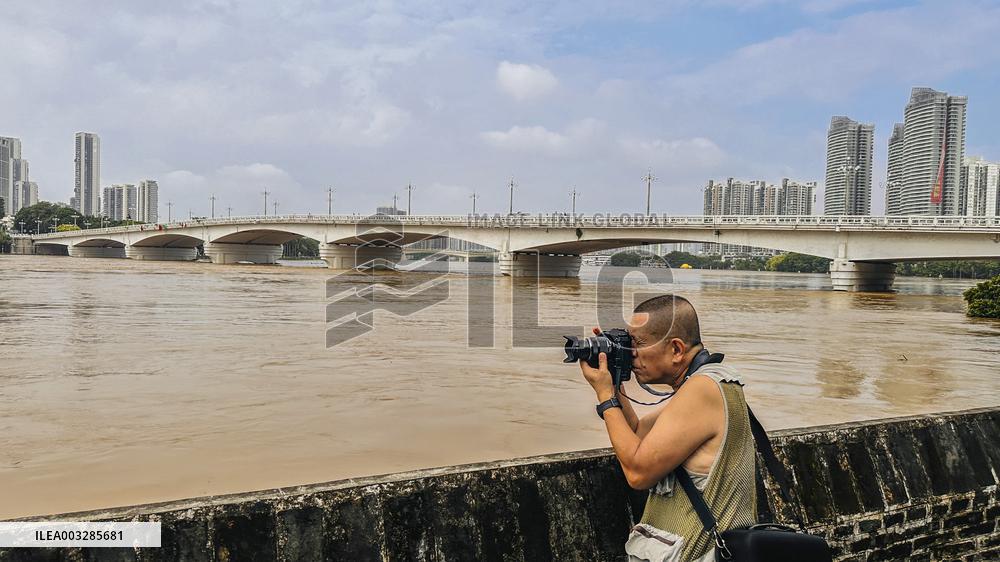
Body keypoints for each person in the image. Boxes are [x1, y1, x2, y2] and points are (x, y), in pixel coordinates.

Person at [579, 294, 756, 561]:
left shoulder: (702, 389)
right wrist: (615, 383)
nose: (631, 353)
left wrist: (606, 398)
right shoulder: (714, 383)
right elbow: (637, 434)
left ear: (676, 349)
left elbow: (638, 472)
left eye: (637, 344)